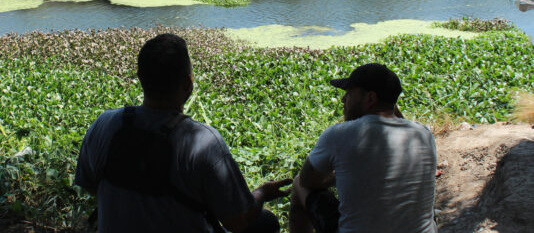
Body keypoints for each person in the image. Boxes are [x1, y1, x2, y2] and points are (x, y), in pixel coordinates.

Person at [75, 33, 291, 233]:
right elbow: (237, 221)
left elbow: (89, 184)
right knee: (267, 222)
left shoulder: (105, 124)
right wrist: (261, 194)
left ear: (140, 78)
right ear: (188, 84)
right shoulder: (204, 143)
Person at [289, 63, 437, 233]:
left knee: (298, 184)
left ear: (370, 98)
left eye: (349, 93)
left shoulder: (339, 135)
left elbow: (307, 180)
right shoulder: (424, 134)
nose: (344, 100)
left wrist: (335, 178)